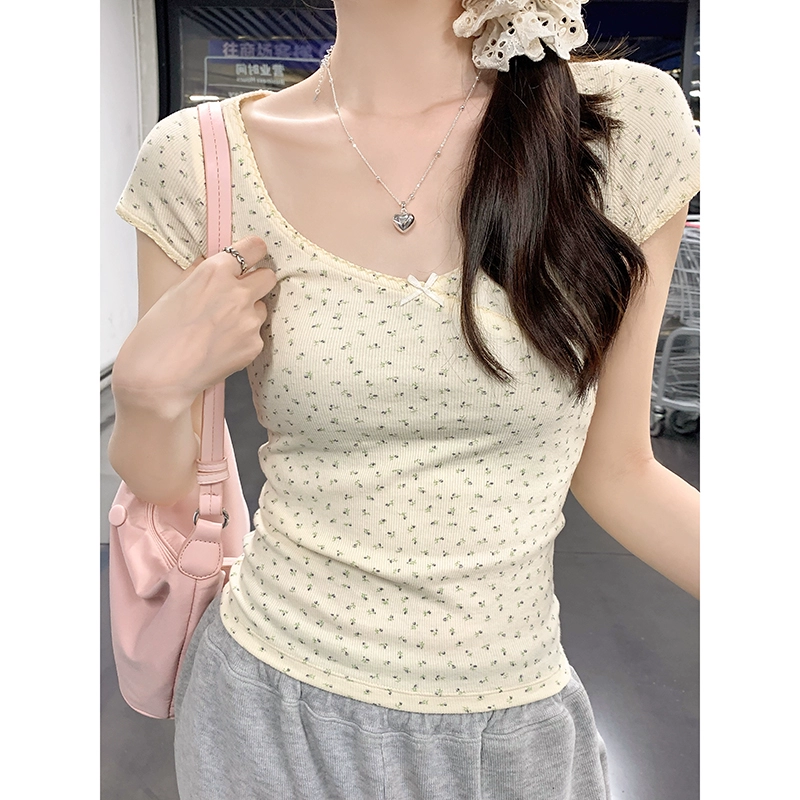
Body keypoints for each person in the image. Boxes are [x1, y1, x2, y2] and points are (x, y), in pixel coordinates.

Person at [109, 1, 700, 797]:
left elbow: (620, 471)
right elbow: (164, 480)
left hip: (508, 720)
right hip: (263, 703)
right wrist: (144, 394)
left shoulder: (619, 128)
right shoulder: (200, 160)